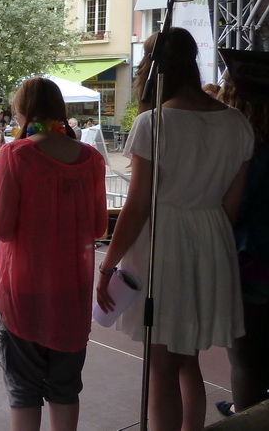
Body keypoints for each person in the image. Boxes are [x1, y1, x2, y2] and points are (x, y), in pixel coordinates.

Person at [96, 29, 252, 431]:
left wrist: (108, 264)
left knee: (161, 365)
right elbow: (230, 209)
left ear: (154, 69)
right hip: (211, 240)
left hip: (164, 245)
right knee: (187, 359)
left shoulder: (154, 122)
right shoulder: (237, 123)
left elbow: (135, 207)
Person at [0, 77, 107, 431]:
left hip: (24, 290)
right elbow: (98, 226)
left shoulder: (16, 154)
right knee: (66, 388)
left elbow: (0, 226)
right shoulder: (92, 159)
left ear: (23, 111)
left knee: (24, 391)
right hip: (71, 291)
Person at [216, 73, 269, 418]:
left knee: (246, 359)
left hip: (253, 263)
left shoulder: (247, 151)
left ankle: (247, 416)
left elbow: (233, 211)